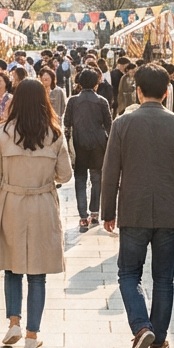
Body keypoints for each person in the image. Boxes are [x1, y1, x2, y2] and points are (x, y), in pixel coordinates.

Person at [102, 64, 174, 348]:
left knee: (128, 273)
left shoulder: (122, 123)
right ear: (167, 92)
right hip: (170, 211)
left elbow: (110, 172)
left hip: (134, 209)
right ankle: (157, 339)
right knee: (164, 278)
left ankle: (141, 326)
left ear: (138, 91)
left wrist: (107, 211)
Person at [0, 78, 72, 348]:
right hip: (43, 203)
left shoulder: (1, 133)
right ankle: (32, 335)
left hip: (11, 203)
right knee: (38, 273)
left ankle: (14, 323)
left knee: (12, 267)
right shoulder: (55, 133)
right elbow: (66, 175)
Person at [64, 68, 113, 232]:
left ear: (79, 83)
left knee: (80, 179)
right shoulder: (102, 101)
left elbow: (67, 122)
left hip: (79, 143)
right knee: (97, 178)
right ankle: (94, 213)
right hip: (98, 144)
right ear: (96, 84)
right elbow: (109, 125)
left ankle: (83, 216)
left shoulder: (72, 101)